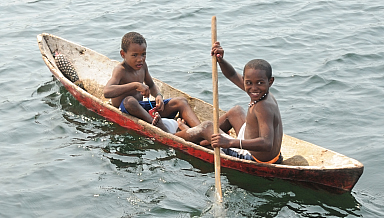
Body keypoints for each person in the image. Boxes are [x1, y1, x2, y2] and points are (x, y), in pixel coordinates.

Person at [176, 42, 283, 164]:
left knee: (207, 126)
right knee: (235, 111)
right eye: (249, 83)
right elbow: (232, 75)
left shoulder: (262, 107)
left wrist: (230, 143)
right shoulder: (262, 94)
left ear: (270, 82)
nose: (254, 88)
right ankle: (206, 139)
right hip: (253, 140)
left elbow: (267, 144)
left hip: (254, 158)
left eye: (259, 83)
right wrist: (221, 60)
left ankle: (174, 137)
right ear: (244, 81)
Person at [103, 32, 200, 132]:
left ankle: (200, 130)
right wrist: (135, 85)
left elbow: (151, 85)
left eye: (143, 54)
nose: (140, 59)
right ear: (123, 54)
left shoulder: (143, 66)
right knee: (129, 101)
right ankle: (159, 126)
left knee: (181, 101)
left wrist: (158, 96)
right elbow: (107, 92)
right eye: (134, 55)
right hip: (127, 109)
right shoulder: (120, 70)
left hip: (142, 109)